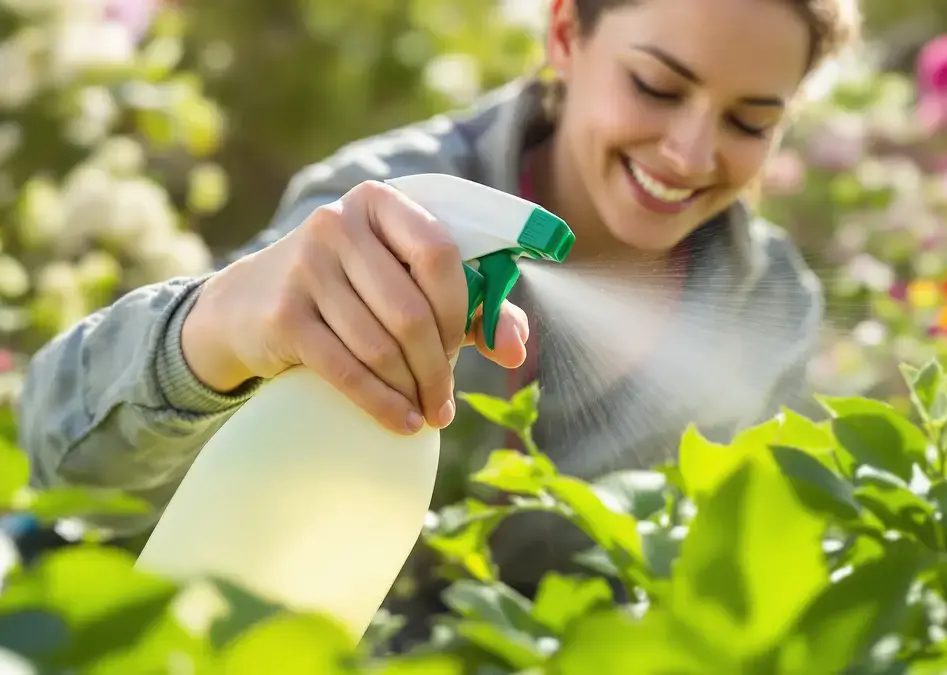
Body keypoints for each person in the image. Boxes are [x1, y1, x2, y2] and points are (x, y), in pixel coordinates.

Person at [16, 0, 859, 648]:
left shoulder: (767, 306)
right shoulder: (386, 209)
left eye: (751, 121)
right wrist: (215, 334)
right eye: (656, 86)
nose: (688, 151)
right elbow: (64, 457)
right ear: (565, 33)